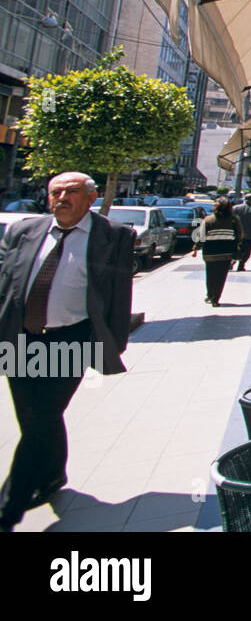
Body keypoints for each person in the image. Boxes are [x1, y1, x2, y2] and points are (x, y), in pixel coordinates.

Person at [0, 172, 134, 530]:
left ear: (90, 198)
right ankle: (53, 477)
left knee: (42, 418)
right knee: (34, 419)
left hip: (70, 340)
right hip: (21, 340)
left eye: (71, 192)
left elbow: (119, 295)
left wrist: (113, 343)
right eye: (55, 192)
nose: (61, 197)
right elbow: (5, 285)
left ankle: (8, 509)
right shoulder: (23, 232)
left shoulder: (113, 236)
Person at [192, 195, 242, 307]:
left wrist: (196, 248)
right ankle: (216, 298)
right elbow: (239, 235)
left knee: (210, 275)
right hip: (226, 253)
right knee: (221, 276)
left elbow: (201, 236)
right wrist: (237, 246)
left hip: (210, 253)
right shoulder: (234, 219)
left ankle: (210, 294)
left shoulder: (209, 219)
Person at [231, 193, 251, 271]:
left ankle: (232, 262)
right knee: (246, 251)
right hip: (249, 234)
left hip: (236, 234)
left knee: (236, 249)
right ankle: (241, 265)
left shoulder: (235, 208)